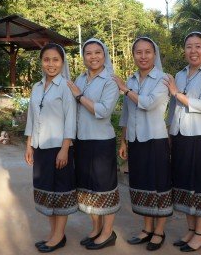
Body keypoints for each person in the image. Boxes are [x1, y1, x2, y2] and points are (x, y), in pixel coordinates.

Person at [113, 36, 171, 252]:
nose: (143, 56)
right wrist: (123, 140)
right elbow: (127, 113)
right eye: (139, 52)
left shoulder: (163, 79)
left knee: (159, 185)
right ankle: (147, 228)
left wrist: (124, 89)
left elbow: (147, 103)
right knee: (141, 184)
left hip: (155, 140)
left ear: (154, 54)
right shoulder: (131, 79)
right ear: (134, 55)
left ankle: (159, 231)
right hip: (136, 140)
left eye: (148, 52)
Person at [164, 32, 201, 252]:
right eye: (189, 47)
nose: (193, 51)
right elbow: (172, 108)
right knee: (185, 184)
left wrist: (177, 94)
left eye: (198, 46)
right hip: (180, 136)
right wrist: (170, 133)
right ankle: (190, 229)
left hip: (200, 137)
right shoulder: (180, 74)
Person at [66, 38, 120, 250]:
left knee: (104, 187)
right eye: (88, 53)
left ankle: (108, 233)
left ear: (104, 55)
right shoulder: (80, 79)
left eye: (98, 52)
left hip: (101, 142)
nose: (93, 56)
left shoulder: (110, 81)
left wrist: (79, 96)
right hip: (82, 141)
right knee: (88, 188)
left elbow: (103, 111)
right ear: (83, 57)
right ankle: (96, 228)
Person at [24, 43, 77, 253]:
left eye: (55, 60)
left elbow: (70, 119)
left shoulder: (66, 86)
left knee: (61, 192)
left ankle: (58, 236)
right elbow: (31, 117)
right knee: (47, 191)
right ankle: (54, 233)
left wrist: (65, 149)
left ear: (62, 62)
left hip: (59, 149)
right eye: (46, 59)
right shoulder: (37, 87)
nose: (51, 64)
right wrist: (29, 145)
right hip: (40, 148)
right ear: (41, 62)